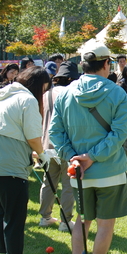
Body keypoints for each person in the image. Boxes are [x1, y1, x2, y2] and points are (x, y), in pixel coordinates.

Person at [49, 43, 127, 254]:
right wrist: (92, 157)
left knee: (82, 220)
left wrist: (74, 157)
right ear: (107, 64)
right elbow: (119, 135)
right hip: (109, 171)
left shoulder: (64, 92)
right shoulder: (116, 93)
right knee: (105, 223)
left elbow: (55, 133)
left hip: (79, 172)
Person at [0, 66, 51, 254]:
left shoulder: (5, 96)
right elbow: (32, 135)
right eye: (44, 89)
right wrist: (43, 155)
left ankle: (5, 253)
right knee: (15, 216)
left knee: (0, 213)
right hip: (9, 167)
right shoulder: (27, 100)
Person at [38, 62, 79, 231]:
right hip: (65, 144)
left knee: (49, 182)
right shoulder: (71, 93)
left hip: (46, 143)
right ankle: (65, 221)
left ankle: (45, 217)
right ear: (70, 78)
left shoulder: (45, 94)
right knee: (68, 184)